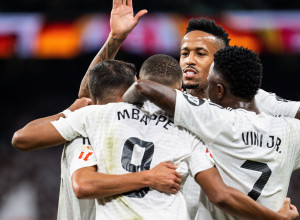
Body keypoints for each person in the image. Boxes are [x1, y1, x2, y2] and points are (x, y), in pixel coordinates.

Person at [12, 56, 299, 220]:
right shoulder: (189, 131)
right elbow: (221, 194)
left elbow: (22, 139)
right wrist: (275, 217)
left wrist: (71, 109)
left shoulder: (95, 119)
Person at [123, 47, 300, 219]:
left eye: (209, 85)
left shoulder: (212, 118)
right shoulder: (293, 131)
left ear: (218, 90)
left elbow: (143, 87)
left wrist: (122, 111)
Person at [12, 60, 184, 219]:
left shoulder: (86, 120)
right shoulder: (87, 131)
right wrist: (149, 177)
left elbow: (21, 137)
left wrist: (68, 112)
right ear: (128, 93)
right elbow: (84, 184)